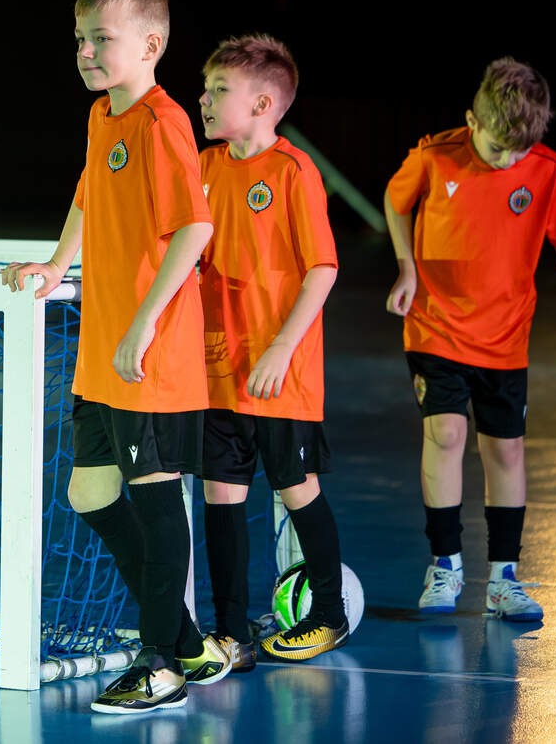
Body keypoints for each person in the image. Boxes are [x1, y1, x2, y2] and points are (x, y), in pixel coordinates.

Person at [1, 0, 233, 715]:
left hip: (148, 352)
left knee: (156, 497)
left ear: (151, 45)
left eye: (102, 38)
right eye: (80, 38)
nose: (85, 51)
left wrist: (144, 323)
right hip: (103, 348)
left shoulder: (163, 122)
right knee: (90, 493)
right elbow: (87, 192)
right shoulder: (104, 115)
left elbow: (195, 228)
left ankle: (159, 663)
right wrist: (56, 264)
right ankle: (189, 642)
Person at [384, 57, 556, 621]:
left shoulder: (546, 169)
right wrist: (407, 268)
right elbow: (395, 201)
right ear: (472, 120)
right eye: (496, 148)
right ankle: (445, 565)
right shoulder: (435, 154)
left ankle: (503, 579)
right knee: (445, 434)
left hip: (506, 335)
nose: (507, 160)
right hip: (436, 325)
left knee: (505, 450)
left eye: (517, 152)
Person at [195, 34, 348, 664]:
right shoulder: (204, 167)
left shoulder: (292, 171)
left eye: (219, 90)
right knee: (220, 494)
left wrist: (283, 348)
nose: (204, 100)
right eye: (205, 88)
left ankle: (330, 615)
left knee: (295, 486)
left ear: (262, 104)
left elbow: (323, 268)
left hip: (279, 370)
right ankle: (232, 632)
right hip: (216, 366)